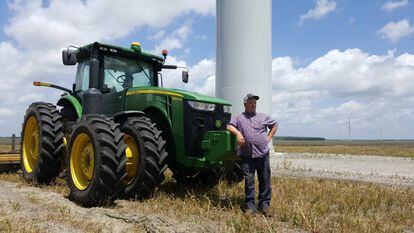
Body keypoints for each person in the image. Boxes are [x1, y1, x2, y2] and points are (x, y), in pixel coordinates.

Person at [227, 93, 278, 216]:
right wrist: (238, 133)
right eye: (251, 102)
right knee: (249, 182)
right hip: (247, 156)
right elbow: (229, 126)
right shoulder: (239, 117)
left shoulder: (263, 116)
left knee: (265, 180)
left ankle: (264, 206)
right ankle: (250, 207)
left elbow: (275, 124)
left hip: (263, 155)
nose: (253, 105)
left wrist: (269, 137)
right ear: (245, 104)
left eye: (255, 103)